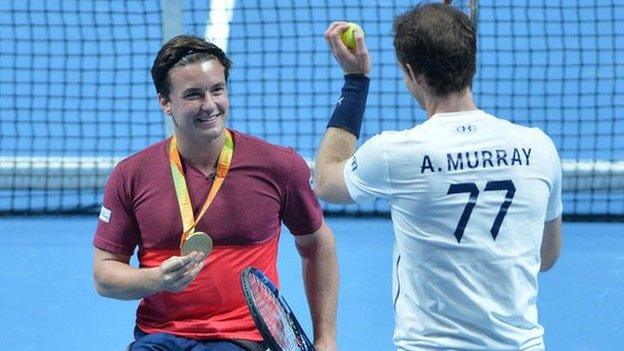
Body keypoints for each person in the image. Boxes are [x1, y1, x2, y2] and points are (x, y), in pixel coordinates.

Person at [315, 3, 562, 350]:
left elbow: (325, 180)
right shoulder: (539, 148)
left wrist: (355, 81)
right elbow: (546, 256)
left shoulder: (394, 153)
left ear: (413, 72)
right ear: (470, 63)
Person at [93, 34, 338, 351]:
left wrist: (326, 340)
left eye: (217, 90)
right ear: (165, 102)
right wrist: (157, 280)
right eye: (193, 95)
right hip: (159, 338)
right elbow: (105, 273)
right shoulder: (131, 176)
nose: (210, 105)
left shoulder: (280, 166)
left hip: (243, 339)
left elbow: (317, 244)